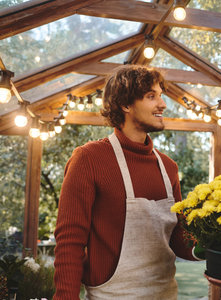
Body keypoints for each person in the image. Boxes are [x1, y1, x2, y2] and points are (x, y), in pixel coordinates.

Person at [53, 65, 194, 299]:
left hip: (165, 294)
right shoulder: (89, 159)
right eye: (151, 96)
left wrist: (216, 241)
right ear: (126, 104)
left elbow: (178, 239)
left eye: (161, 95)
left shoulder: (169, 168)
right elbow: (69, 241)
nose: (163, 104)